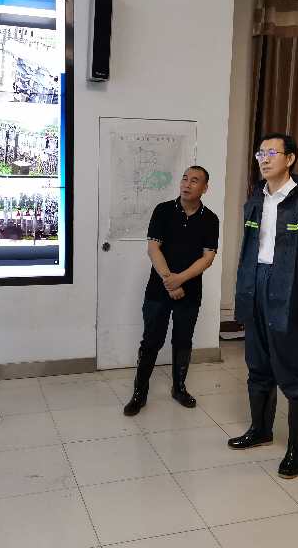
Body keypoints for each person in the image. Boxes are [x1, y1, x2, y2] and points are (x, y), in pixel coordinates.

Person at [228, 133, 298, 479]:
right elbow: (247, 254)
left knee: (292, 373)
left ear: (290, 159)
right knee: (258, 366)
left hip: (289, 293)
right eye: (260, 153)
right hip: (255, 288)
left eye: (272, 153)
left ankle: (295, 448)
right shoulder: (255, 200)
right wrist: (243, 297)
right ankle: (261, 430)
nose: (264, 158)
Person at [123, 166, 220, 416]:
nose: (187, 184)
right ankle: (139, 393)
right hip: (158, 290)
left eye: (194, 180)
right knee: (151, 341)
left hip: (190, 291)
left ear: (205, 188)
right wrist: (169, 281)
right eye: (185, 179)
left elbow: (208, 258)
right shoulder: (163, 210)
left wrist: (180, 280)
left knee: (183, 341)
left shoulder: (210, 219)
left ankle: (179, 388)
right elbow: (153, 249)